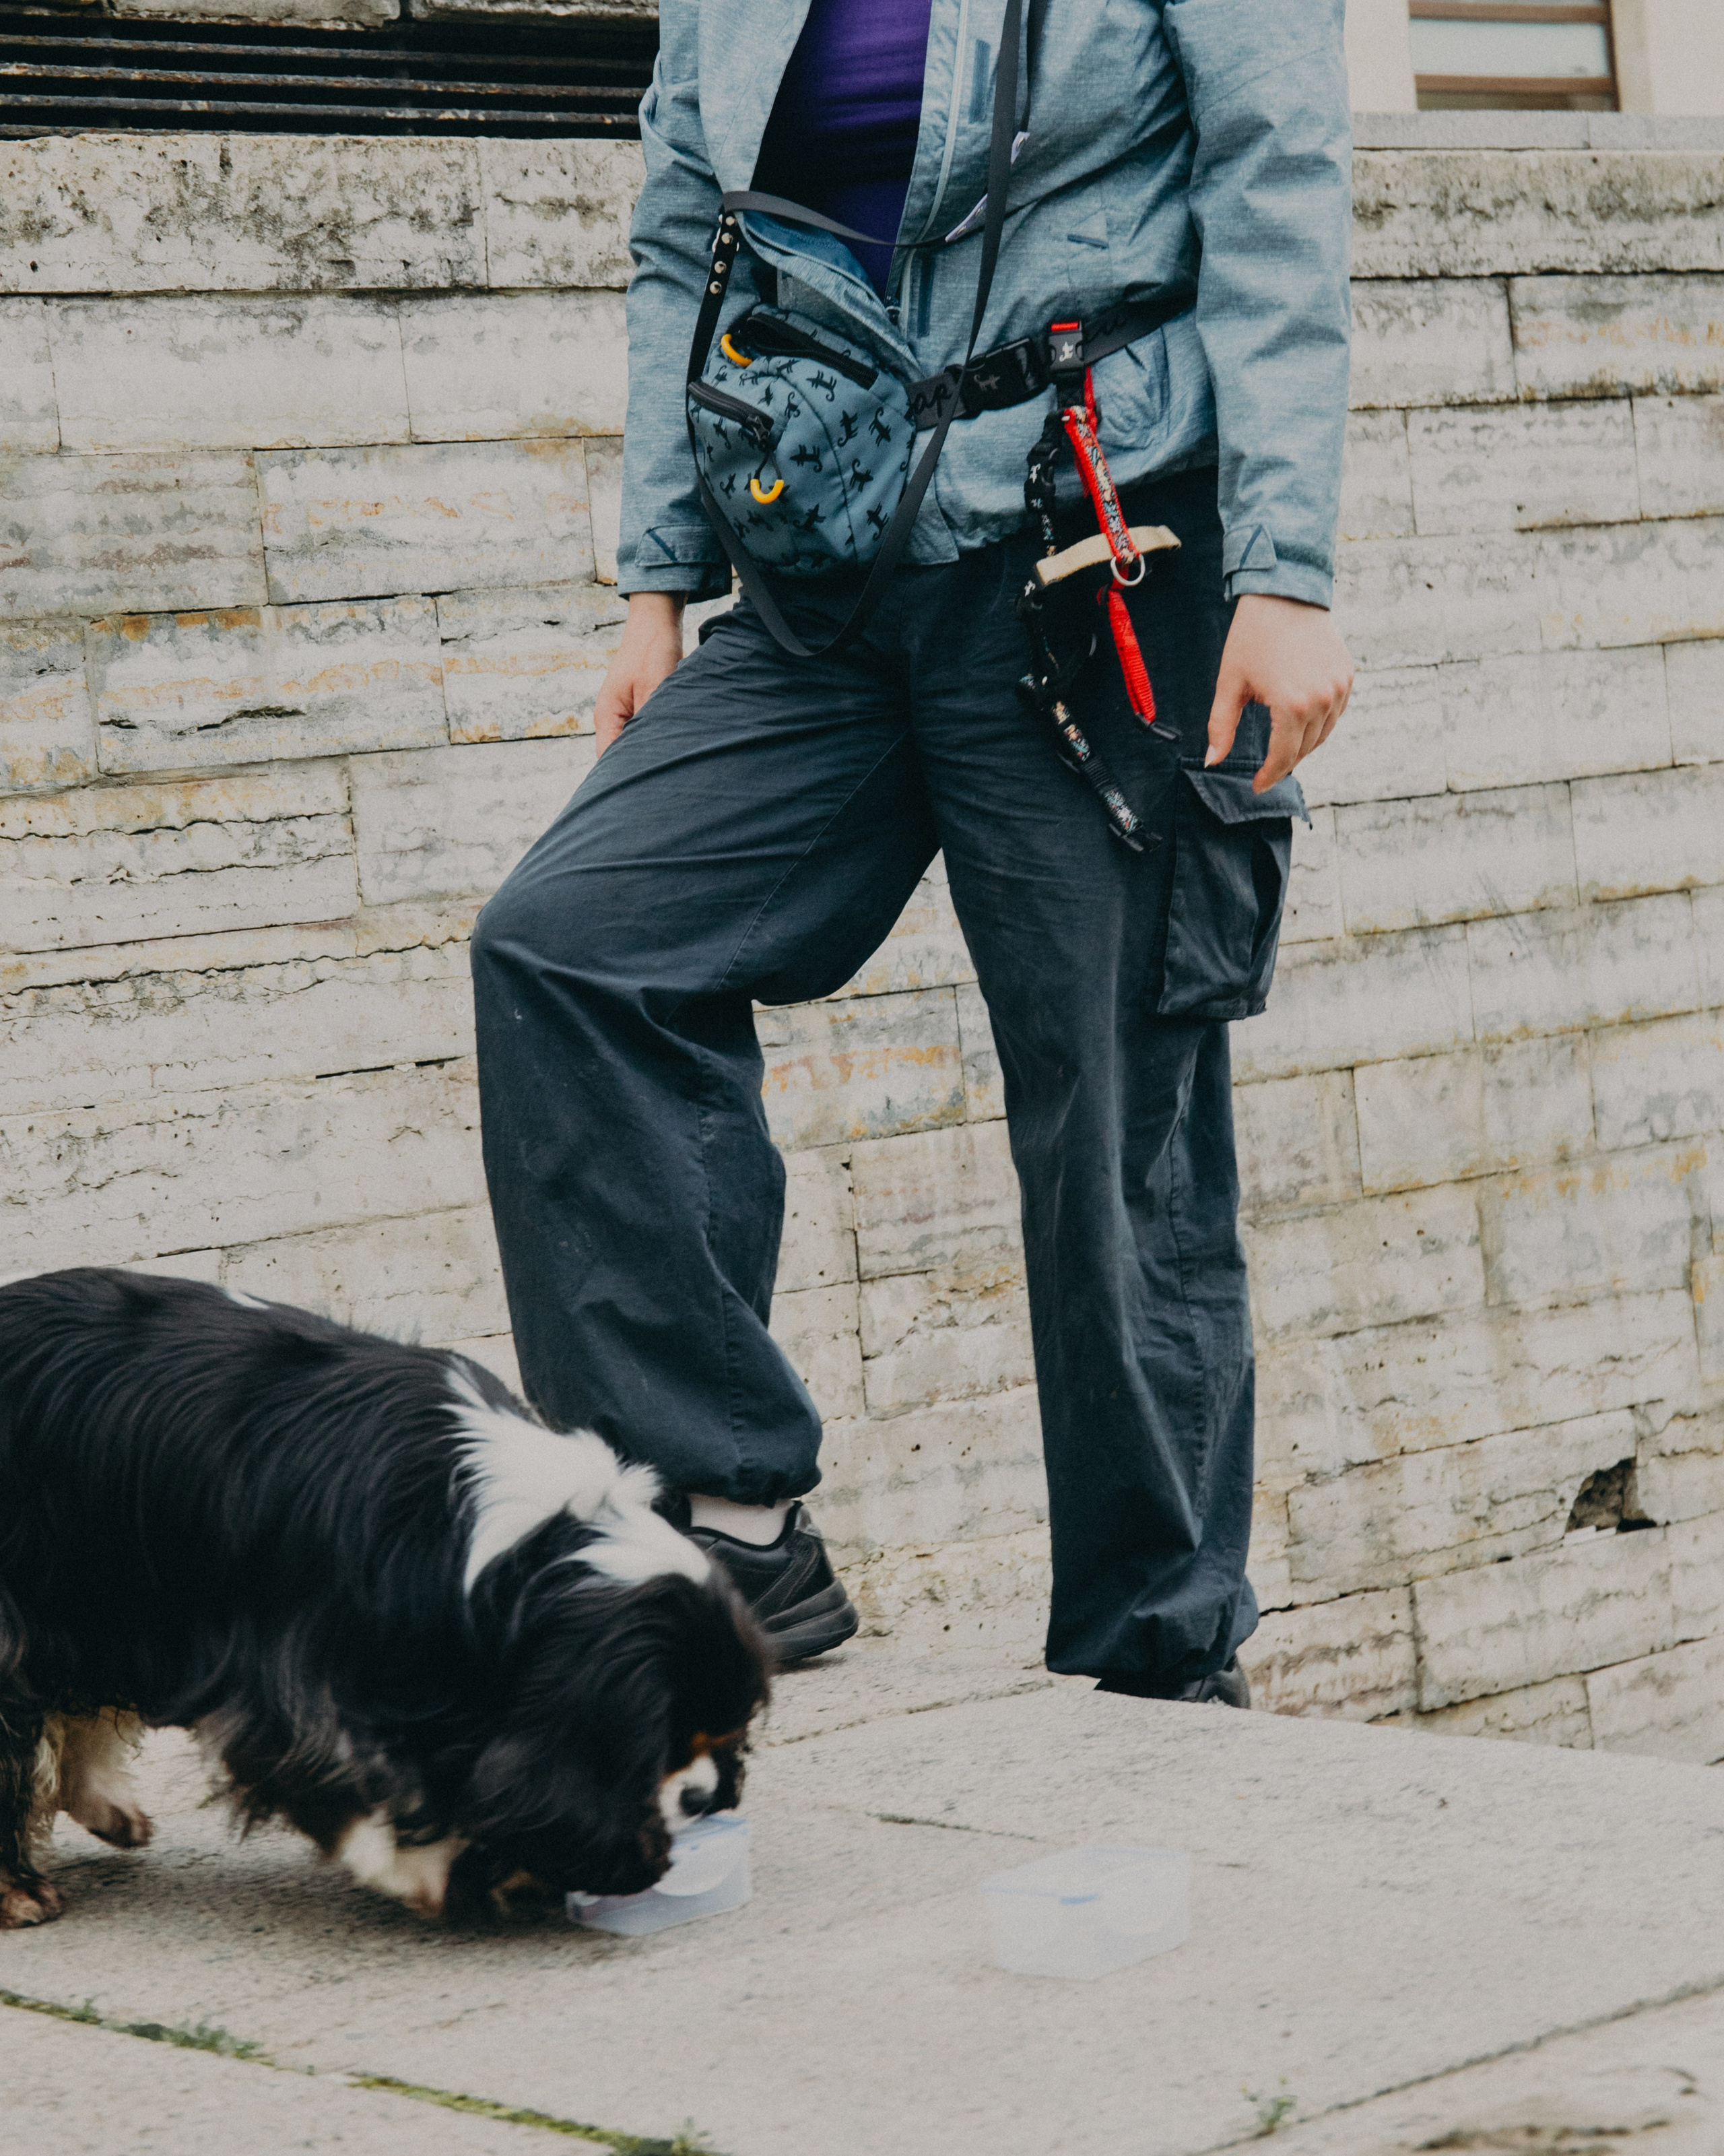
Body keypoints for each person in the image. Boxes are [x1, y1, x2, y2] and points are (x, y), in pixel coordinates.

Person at [470, 0, 1354, 1696]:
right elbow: (682, 232)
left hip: (1094, 552)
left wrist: (1285, 571)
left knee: (1109, 1127)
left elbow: (1274, 180)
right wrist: (658, 580)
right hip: (825, 577)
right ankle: (724, 1506)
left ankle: (1158, 1664)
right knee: (569, 941)